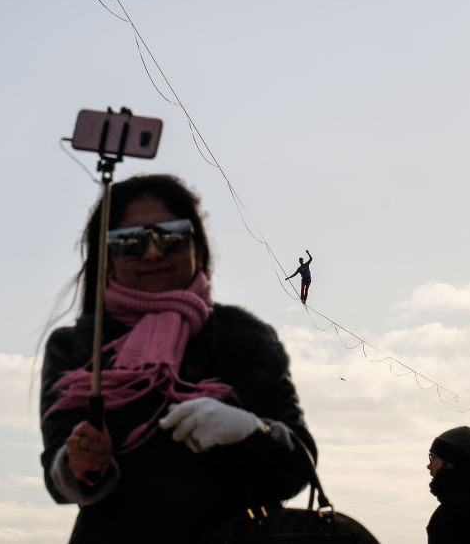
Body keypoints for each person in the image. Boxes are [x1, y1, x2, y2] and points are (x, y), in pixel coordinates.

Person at [39, 174, 316, 543]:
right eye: (129, 242)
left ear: (198, 248)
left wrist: (252, 432)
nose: (152, 252)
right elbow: (60, 479)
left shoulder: (245, 336)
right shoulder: (76, 346)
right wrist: (83, 464)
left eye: (170, 236)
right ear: (106, 260)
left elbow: (299, 466)